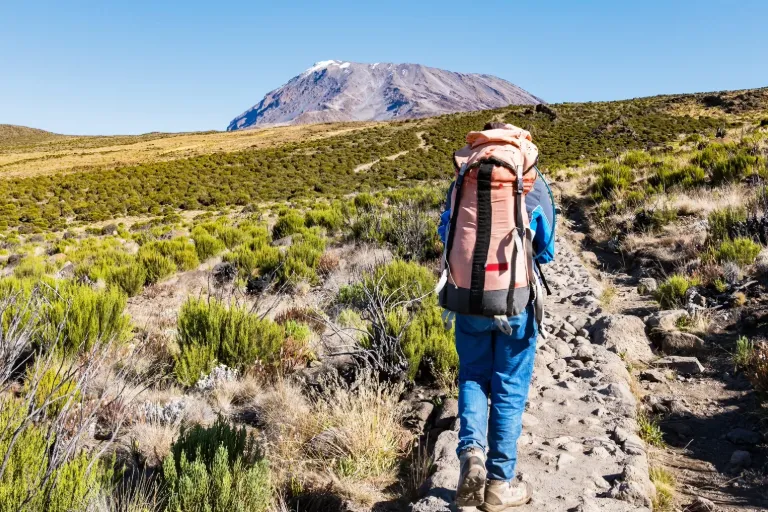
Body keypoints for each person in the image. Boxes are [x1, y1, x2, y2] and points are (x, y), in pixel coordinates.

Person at [437, 122, 555, 511]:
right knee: (509, 385)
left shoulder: (464, 178)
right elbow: (546, 246)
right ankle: (499, 484)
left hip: (467, 297)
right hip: (515, 298)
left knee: (473, 374)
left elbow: (446, 231)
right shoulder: (529, 180)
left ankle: (471, 454)